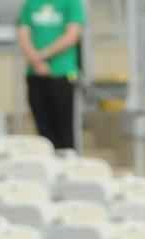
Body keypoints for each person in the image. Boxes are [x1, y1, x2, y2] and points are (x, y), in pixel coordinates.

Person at [17, 0, 85, 150]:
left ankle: (67, 163)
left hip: (63, 73)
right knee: (43, 130)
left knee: (64, 128)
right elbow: (23, 32)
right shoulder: (31, 4)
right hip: (35, 74)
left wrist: (43, 55)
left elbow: (72, 35)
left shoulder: (72, 3)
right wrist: (34, 60)